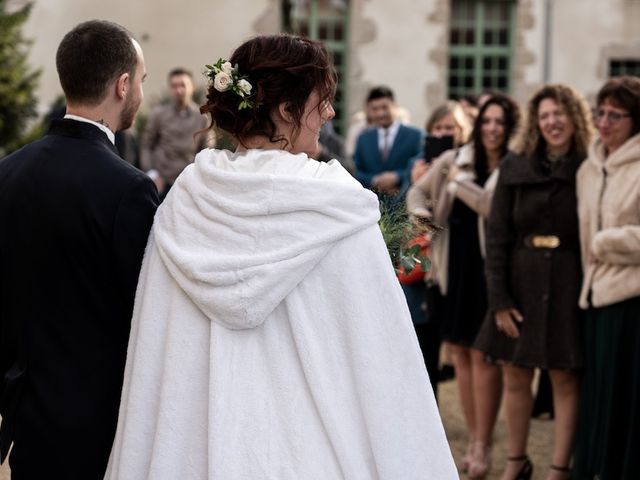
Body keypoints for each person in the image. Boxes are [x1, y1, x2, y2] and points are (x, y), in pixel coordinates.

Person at [105, 34, 457, 480]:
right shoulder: (337, 206)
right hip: (313, 454)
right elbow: (383, 365)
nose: (329, 114)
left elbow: (161, 349)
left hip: (196, 454)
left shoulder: (185, 203)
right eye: (322, 101)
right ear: (287, 111)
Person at [0, 20, 158, 479]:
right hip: (102, 429)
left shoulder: (8, 174)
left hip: (25, 418)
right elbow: (143, 313)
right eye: (141, 82)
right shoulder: (128, 189)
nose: (141, 94)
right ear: (122, 85)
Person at [474, 84, 594, 480]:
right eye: (544, 115)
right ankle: (516, 462)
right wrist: (500, 299)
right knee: (515, 373)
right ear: (535, 122)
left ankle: (559, 469)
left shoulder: (589, 166)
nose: (552, 122)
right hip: (519, 280)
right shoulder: (515, 165)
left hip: (568, 280)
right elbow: (497, 236)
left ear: (574, 117)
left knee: (564, 375)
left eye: (559, 113)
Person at [407, 93, 521, 478]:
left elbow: (495, 207)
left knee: (484, 357)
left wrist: (461, 184)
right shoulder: (453, 160)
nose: (492, 129)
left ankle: (482, 443)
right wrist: (422, 216)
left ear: (509, 128)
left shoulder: (514, 165)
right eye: (486, 121)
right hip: (453, 269)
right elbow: (417, 192)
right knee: (460, 355)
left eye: (499, 123)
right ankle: (474, 442)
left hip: (491, 271)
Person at [572, 75, 640, 480]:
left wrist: (605, 242)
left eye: (616, 114)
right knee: (600, 398)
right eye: (601, 112)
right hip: (594, 299)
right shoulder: (589, 168)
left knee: (628, 401)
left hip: (632, 301)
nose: (605, 121)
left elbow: (600, 238)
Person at [140, 67, 209, 199]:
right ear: (169, 88)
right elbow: (146, 145)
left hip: (188, 182)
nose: (179, 90)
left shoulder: (201, 117)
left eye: (183, 85)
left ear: (192, 87)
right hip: (160, 182)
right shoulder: (158, 114)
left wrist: (198, 178)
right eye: (174, 86)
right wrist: (152, 173)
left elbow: (206, 150)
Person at [353, 86, 422, 200]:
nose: (380, 113)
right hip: (372, 204)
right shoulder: (363, 138)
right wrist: (374, 180)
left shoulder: (415, 135)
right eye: (375, 109)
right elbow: (355, 170)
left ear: (395, 106)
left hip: (405, 205)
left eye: (385, 107)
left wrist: (397, 177)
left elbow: (421, 167)